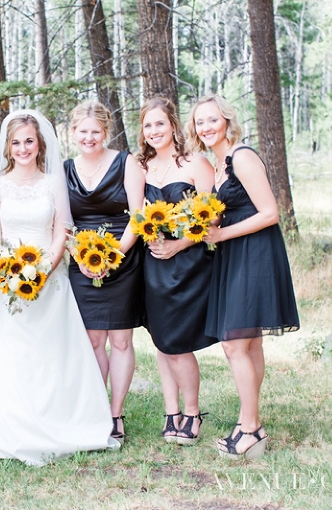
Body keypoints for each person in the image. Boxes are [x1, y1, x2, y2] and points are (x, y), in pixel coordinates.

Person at [0, 110, 120, 466]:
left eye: (29, 141)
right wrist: (12, 270)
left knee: (52, 353)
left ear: (39, 143)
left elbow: (62, 231)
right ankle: (6, 426)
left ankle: (64, 422)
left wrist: (44, 269)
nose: (23, 148)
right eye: (16, 142)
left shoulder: (53, 182)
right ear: (8, 147)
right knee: (11, 352)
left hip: (51, 279)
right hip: (8, 280)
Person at [186, 95, 300, 460]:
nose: (206, 127)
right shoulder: (219, 166)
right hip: (236, 254)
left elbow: (269, 213)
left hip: (256, 253)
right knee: (249, 346)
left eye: (212, 119)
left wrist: (221, 234)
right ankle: (248, 421)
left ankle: (251, 428)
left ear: (226, 120)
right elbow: (230, 210)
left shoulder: (242, 157)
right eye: (200, 122)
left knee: (234, 344)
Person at [137, 97, 218, 445]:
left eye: (160, 123)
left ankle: (193, 411)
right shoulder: (141, 167)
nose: (154, 131)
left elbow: (212, 217)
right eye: (147, 125)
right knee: (161, 339)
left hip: (187, 263)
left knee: (177, 342)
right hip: (152, 263)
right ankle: (171, 412)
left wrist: (178, 244)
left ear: (173, 125)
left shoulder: (196, 163)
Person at [64, 100, 145, 442]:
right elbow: (63, 223)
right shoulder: (65, 170)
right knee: (93, 340)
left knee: (121, 340)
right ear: (73, 132)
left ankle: (116, 413)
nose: (89, 137)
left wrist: (114, 255)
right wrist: (79, 255)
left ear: (106, 132)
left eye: (95, 131)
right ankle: (97, 410)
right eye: (83, 131)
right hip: (82, 263)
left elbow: (138, 218)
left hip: (123, 258)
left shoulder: (126, 163)